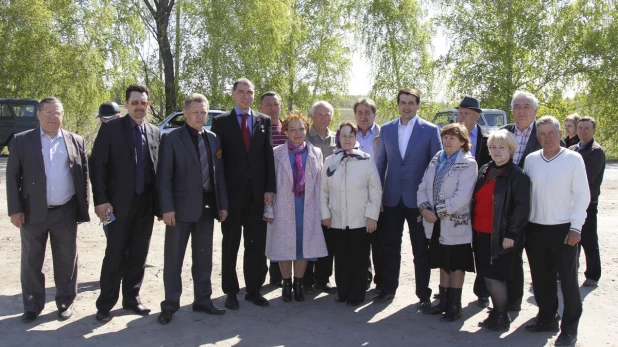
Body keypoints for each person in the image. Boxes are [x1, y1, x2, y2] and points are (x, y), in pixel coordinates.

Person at [6, 97, 90, 322]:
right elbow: (12, 177)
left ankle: (65, 302)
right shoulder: (21, 141)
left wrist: (83, 209)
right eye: (49, 112)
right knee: (32, 260)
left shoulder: (75, 140)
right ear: (38, 114)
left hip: (65, 210)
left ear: (63, 115)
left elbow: (83, 177)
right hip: (32, 212)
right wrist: (15, 209)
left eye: (58, 113)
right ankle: (32, 305)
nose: (54, 117)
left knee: (66, 259)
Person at [90, 84, 161, 322]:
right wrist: (101, 200)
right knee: (115, 254)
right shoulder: (111, 129)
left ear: (148, 105)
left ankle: (132, 299)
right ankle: (105, 304)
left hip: (145, 206)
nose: (139, 106)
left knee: (139, 254)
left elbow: (157, 169)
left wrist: (160, 206)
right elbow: (97, 166)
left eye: (143, 102)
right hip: (116, 206)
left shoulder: (154, 132)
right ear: (126, 104)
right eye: (134, 102)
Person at [157, 93, 229, 324]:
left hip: (207, 209)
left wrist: (223, 204)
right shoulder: (172, 139)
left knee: (204, 259)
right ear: (185, 113)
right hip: (178, 211)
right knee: (174, 260)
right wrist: (166, 208)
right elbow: (164, 177)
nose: (200, 116)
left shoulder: (214, 138)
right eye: (195, 112)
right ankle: (170, 305)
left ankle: (203, 300)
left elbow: (219, 175)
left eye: (204, 112)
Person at [523, 116, 589, 347]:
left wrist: (576, 227)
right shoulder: (531, 160)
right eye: (542, 134)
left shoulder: (573, 159)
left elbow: (582, 195)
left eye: (551, 133)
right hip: (535, 229)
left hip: (564, 230)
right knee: (541, 279)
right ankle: (547, 318)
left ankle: (569, 329)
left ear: (560, 133)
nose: (547, 138)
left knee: (568, 282)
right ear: (537, 137)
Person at [211, 78, 276, 309]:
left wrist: (270, 188)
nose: (246, 96)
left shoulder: (263, 120)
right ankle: (230, 291)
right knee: (230, 243)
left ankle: (254, 289)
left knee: (256, 243)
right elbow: (217, 162)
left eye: (250, 92)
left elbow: (268, 156)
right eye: (241, 92)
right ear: (233, 94)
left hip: (258, 194)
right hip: (231, 195)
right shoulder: (220, 122)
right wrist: (219, 197)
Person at [374, 88, 441, 306]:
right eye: (403, 102)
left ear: (418, 105)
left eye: (411, 102)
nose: (407, 107)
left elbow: (436, 167)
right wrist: (378, 196)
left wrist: (431, 200)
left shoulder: (430, 130)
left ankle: (423, 294)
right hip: (391, 198)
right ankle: (387, 289)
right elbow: (380, 164)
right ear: (397, 105)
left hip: (418, 201)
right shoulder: (387, 129)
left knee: (420, 249)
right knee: (389, 247)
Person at [264, 111, 327, 302]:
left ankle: (299, 282)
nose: (297, 133)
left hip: (308, 207)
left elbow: (320, 183)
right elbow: (270, 184)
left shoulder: (316, 152)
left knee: (303, 246)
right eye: (292, 130)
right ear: (286, 132)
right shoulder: (276, 154)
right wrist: (268, 209)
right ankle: (286, 283)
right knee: (284, 245)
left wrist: (323, 210)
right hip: (283, 206)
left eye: (301, 129)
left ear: (306, 130)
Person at [417, 123, 477, 322]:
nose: (448, 141)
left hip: (455, 222)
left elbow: (463, 196)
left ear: (462, 141)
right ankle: (442, 302)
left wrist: (440, 211)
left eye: (453, 137)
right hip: (434, 222)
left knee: (456, 264)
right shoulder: (437, 158)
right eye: (445, 136)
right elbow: (423, 185)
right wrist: (425, 209)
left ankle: (454, 305)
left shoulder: (468, 163)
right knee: (443, 262)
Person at [472, 130, 530, 331]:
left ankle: (503, 316)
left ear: (511, 149)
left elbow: (521, 208)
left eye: (501, 147)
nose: (496, 151)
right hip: (480, 232)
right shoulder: (485, 169)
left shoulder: (517, 175)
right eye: (493, 147)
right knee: (486, 274)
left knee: (496, 276)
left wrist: (511, 234)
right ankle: (496, 312)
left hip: (500, 235)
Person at [321, 121, 382, 306]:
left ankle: (357, 294)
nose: (347, 139)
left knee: (359, 258)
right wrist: (325, 214)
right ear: (339, 137)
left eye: (351, 135)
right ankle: (343, 291)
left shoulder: (366, 160)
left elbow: (375, 190)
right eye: (344, 135)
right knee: (340, 258)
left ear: (356, 137)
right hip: (337, 218)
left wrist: (372, 216)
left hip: (360, 220)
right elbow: (323, 190)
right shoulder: (330, 161)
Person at [500, 90, 541, 312]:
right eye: (517, 107)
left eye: (526, 107)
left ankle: (546, 311)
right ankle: (512, 300)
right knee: (511, 255)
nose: (521, 111)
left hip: (536, 208)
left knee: (537, 259)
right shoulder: (504, 133)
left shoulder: (545, 134)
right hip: (506, 208)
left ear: (535, 111)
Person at [455, 96, 492, 308]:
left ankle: (482, 291)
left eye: (467, 113)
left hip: (480, 201)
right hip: (454, 201)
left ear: (477, 116)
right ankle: (451, 290)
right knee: (455, 245)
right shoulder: (450, 136)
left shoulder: (489, 139)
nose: (462, 117)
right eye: (460, 112)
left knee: (481, 248)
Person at [304, 100, 337, 294]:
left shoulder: (337, 138)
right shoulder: (304, 137)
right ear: (312, 117)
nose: (324, 119)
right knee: (309, 237)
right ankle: (306, 279)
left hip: (332, 198)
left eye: (327, 115)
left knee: (328, 239)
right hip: (310, 196)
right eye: (320, 115)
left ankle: (322, 279)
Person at [569, 116, 605, 287]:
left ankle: (593, 275)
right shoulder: (573, 149)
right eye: (581, 127)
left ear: (593, 130)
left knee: (589, 240)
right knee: (570, 239)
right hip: (570, 202)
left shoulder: (596, 151)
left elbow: (586, 179)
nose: (583, 131)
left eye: (587, 128)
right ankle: (570, 270)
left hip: (588, 203)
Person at [354, 98, 384, 291]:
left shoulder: (385, 134)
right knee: (359, 243)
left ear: (374, 114)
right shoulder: (348, 133)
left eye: (367, 112)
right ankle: (363, 279)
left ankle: (381, 284)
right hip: (355, 197)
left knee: (379, 243)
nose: (363, 116)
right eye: (360, 112)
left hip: (379, 196)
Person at [259, 91, 285, 287]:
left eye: (275, 104)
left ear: (281, 106)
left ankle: (278, 276)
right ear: (261, 108)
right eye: (267, 105)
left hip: (286, 191)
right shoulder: (257, 129)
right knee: (261, 234)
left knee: (281, 232)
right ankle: (260, 275)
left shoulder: (289, 129)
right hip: (263, 190)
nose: (272, 108)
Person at [94, 101, 122, 238]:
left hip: (125, 200)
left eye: (108, 119)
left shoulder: (126, 134)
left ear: (118, 117)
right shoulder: (101, 136)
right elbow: (96, 171)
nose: (104, 122)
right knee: (111, 236)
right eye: (102, 119)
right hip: (106, 201)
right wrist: (101, 200)